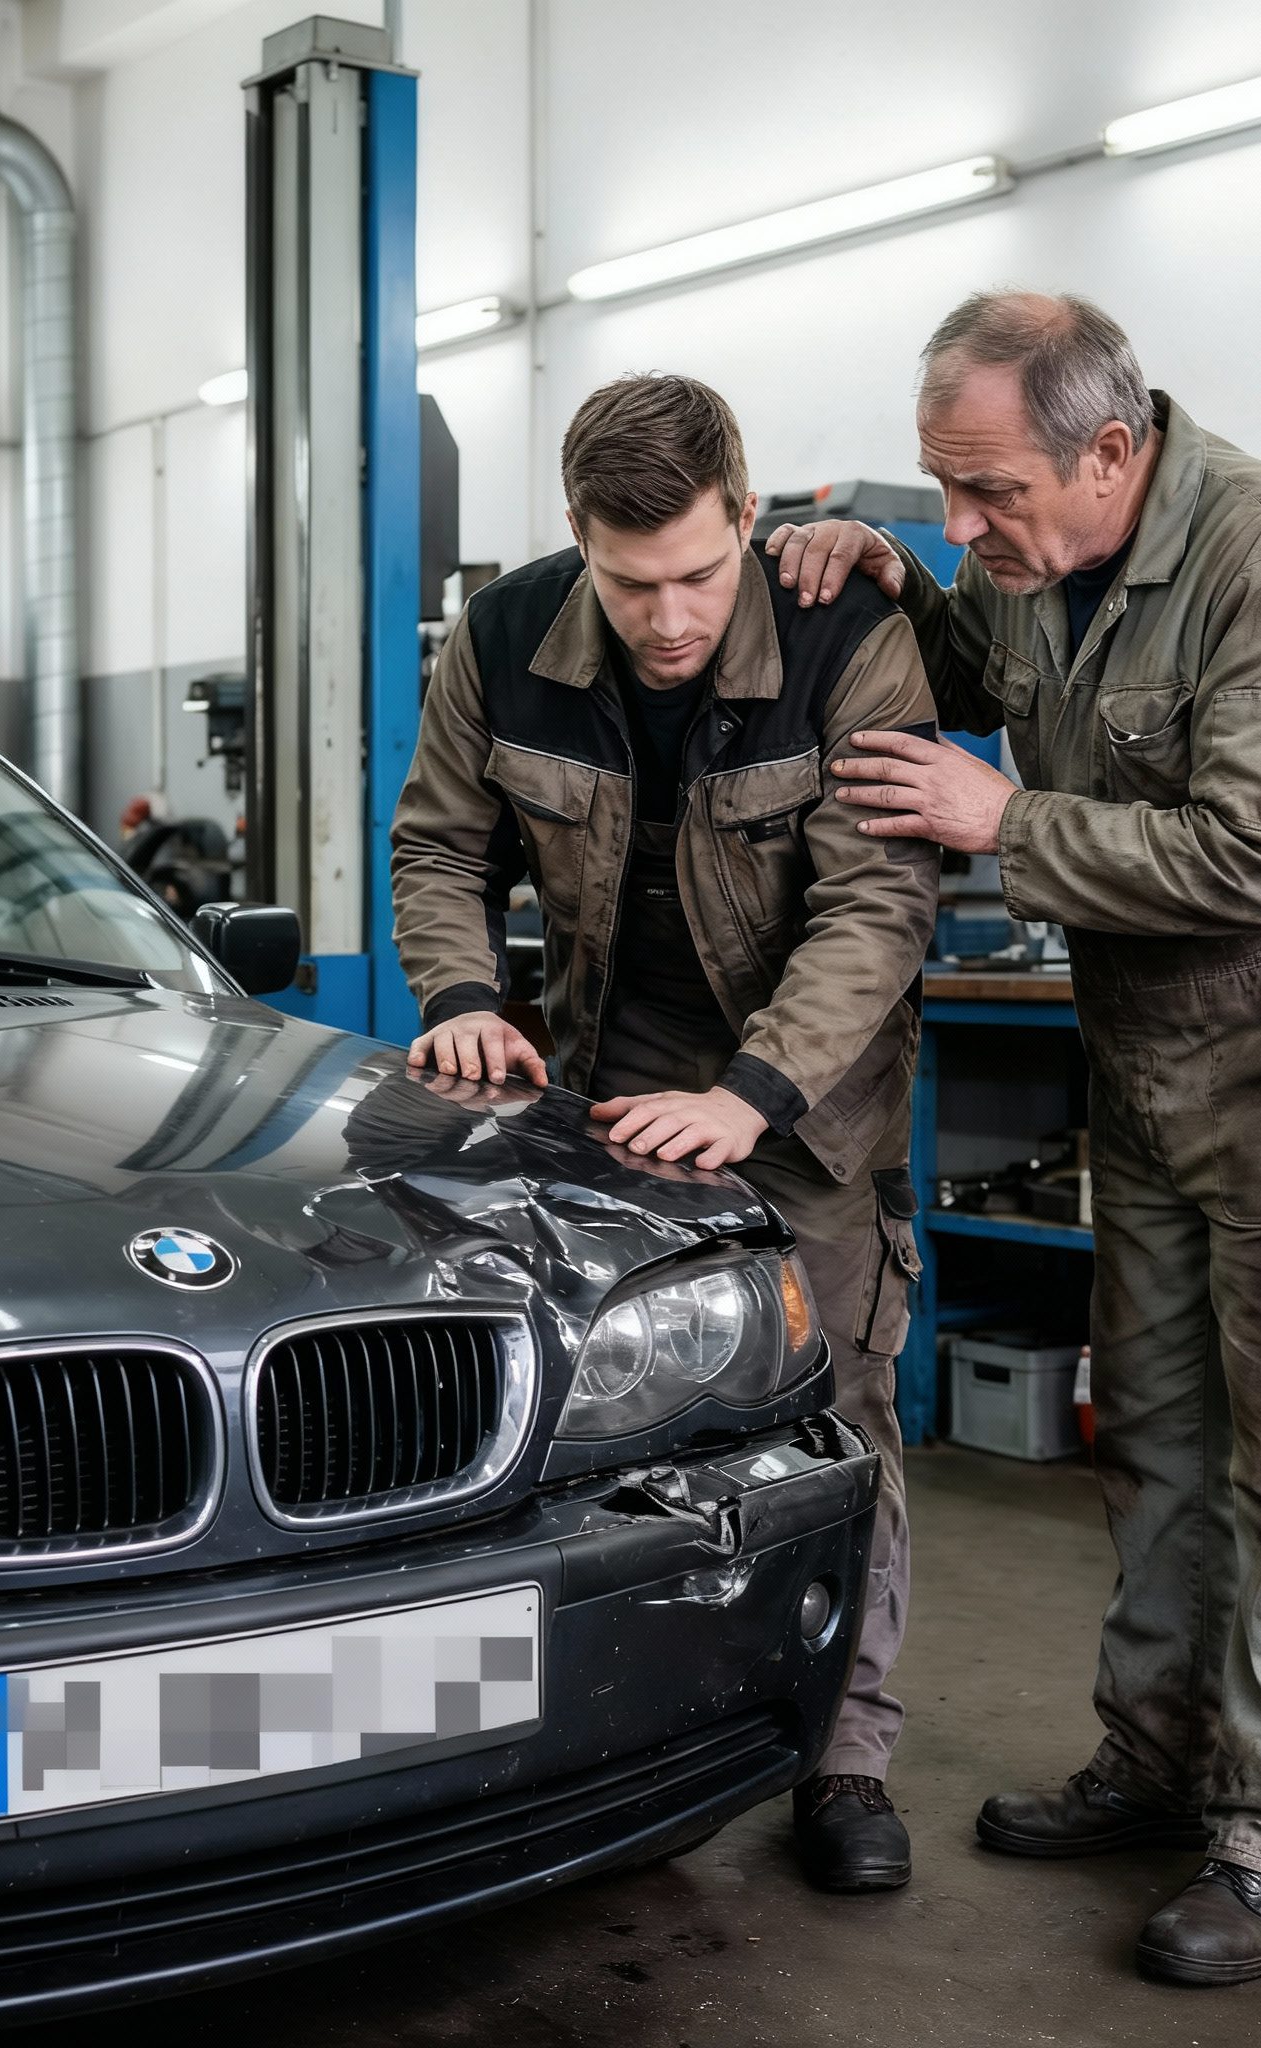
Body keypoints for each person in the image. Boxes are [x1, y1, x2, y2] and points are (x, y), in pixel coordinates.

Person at [769, 291, 1261, 1986]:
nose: (968, 525)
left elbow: (1260, 860)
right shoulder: (1039, 561)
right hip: (1150, 1049)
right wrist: (889, 572)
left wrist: (1008, 821)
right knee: (1147, 1427)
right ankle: (1160, 1763)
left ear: (1113, 450)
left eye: (987, 492)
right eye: (944, 490)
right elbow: (985, 662)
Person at [389, 373, 940, 1892]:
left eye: (701, 573)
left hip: (803, 1111)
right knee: (580, 1439)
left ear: (748, 519)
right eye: (633, 586)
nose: (673, 616)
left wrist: (749, 1094)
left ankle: (846, 1759)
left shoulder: (845, 636)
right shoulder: (505, 639)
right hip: (588, 1109)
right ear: (577, 540)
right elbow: (441, 840)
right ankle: (597, 1739)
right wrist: (458, 993)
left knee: (838, 1424)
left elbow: (877, 904)